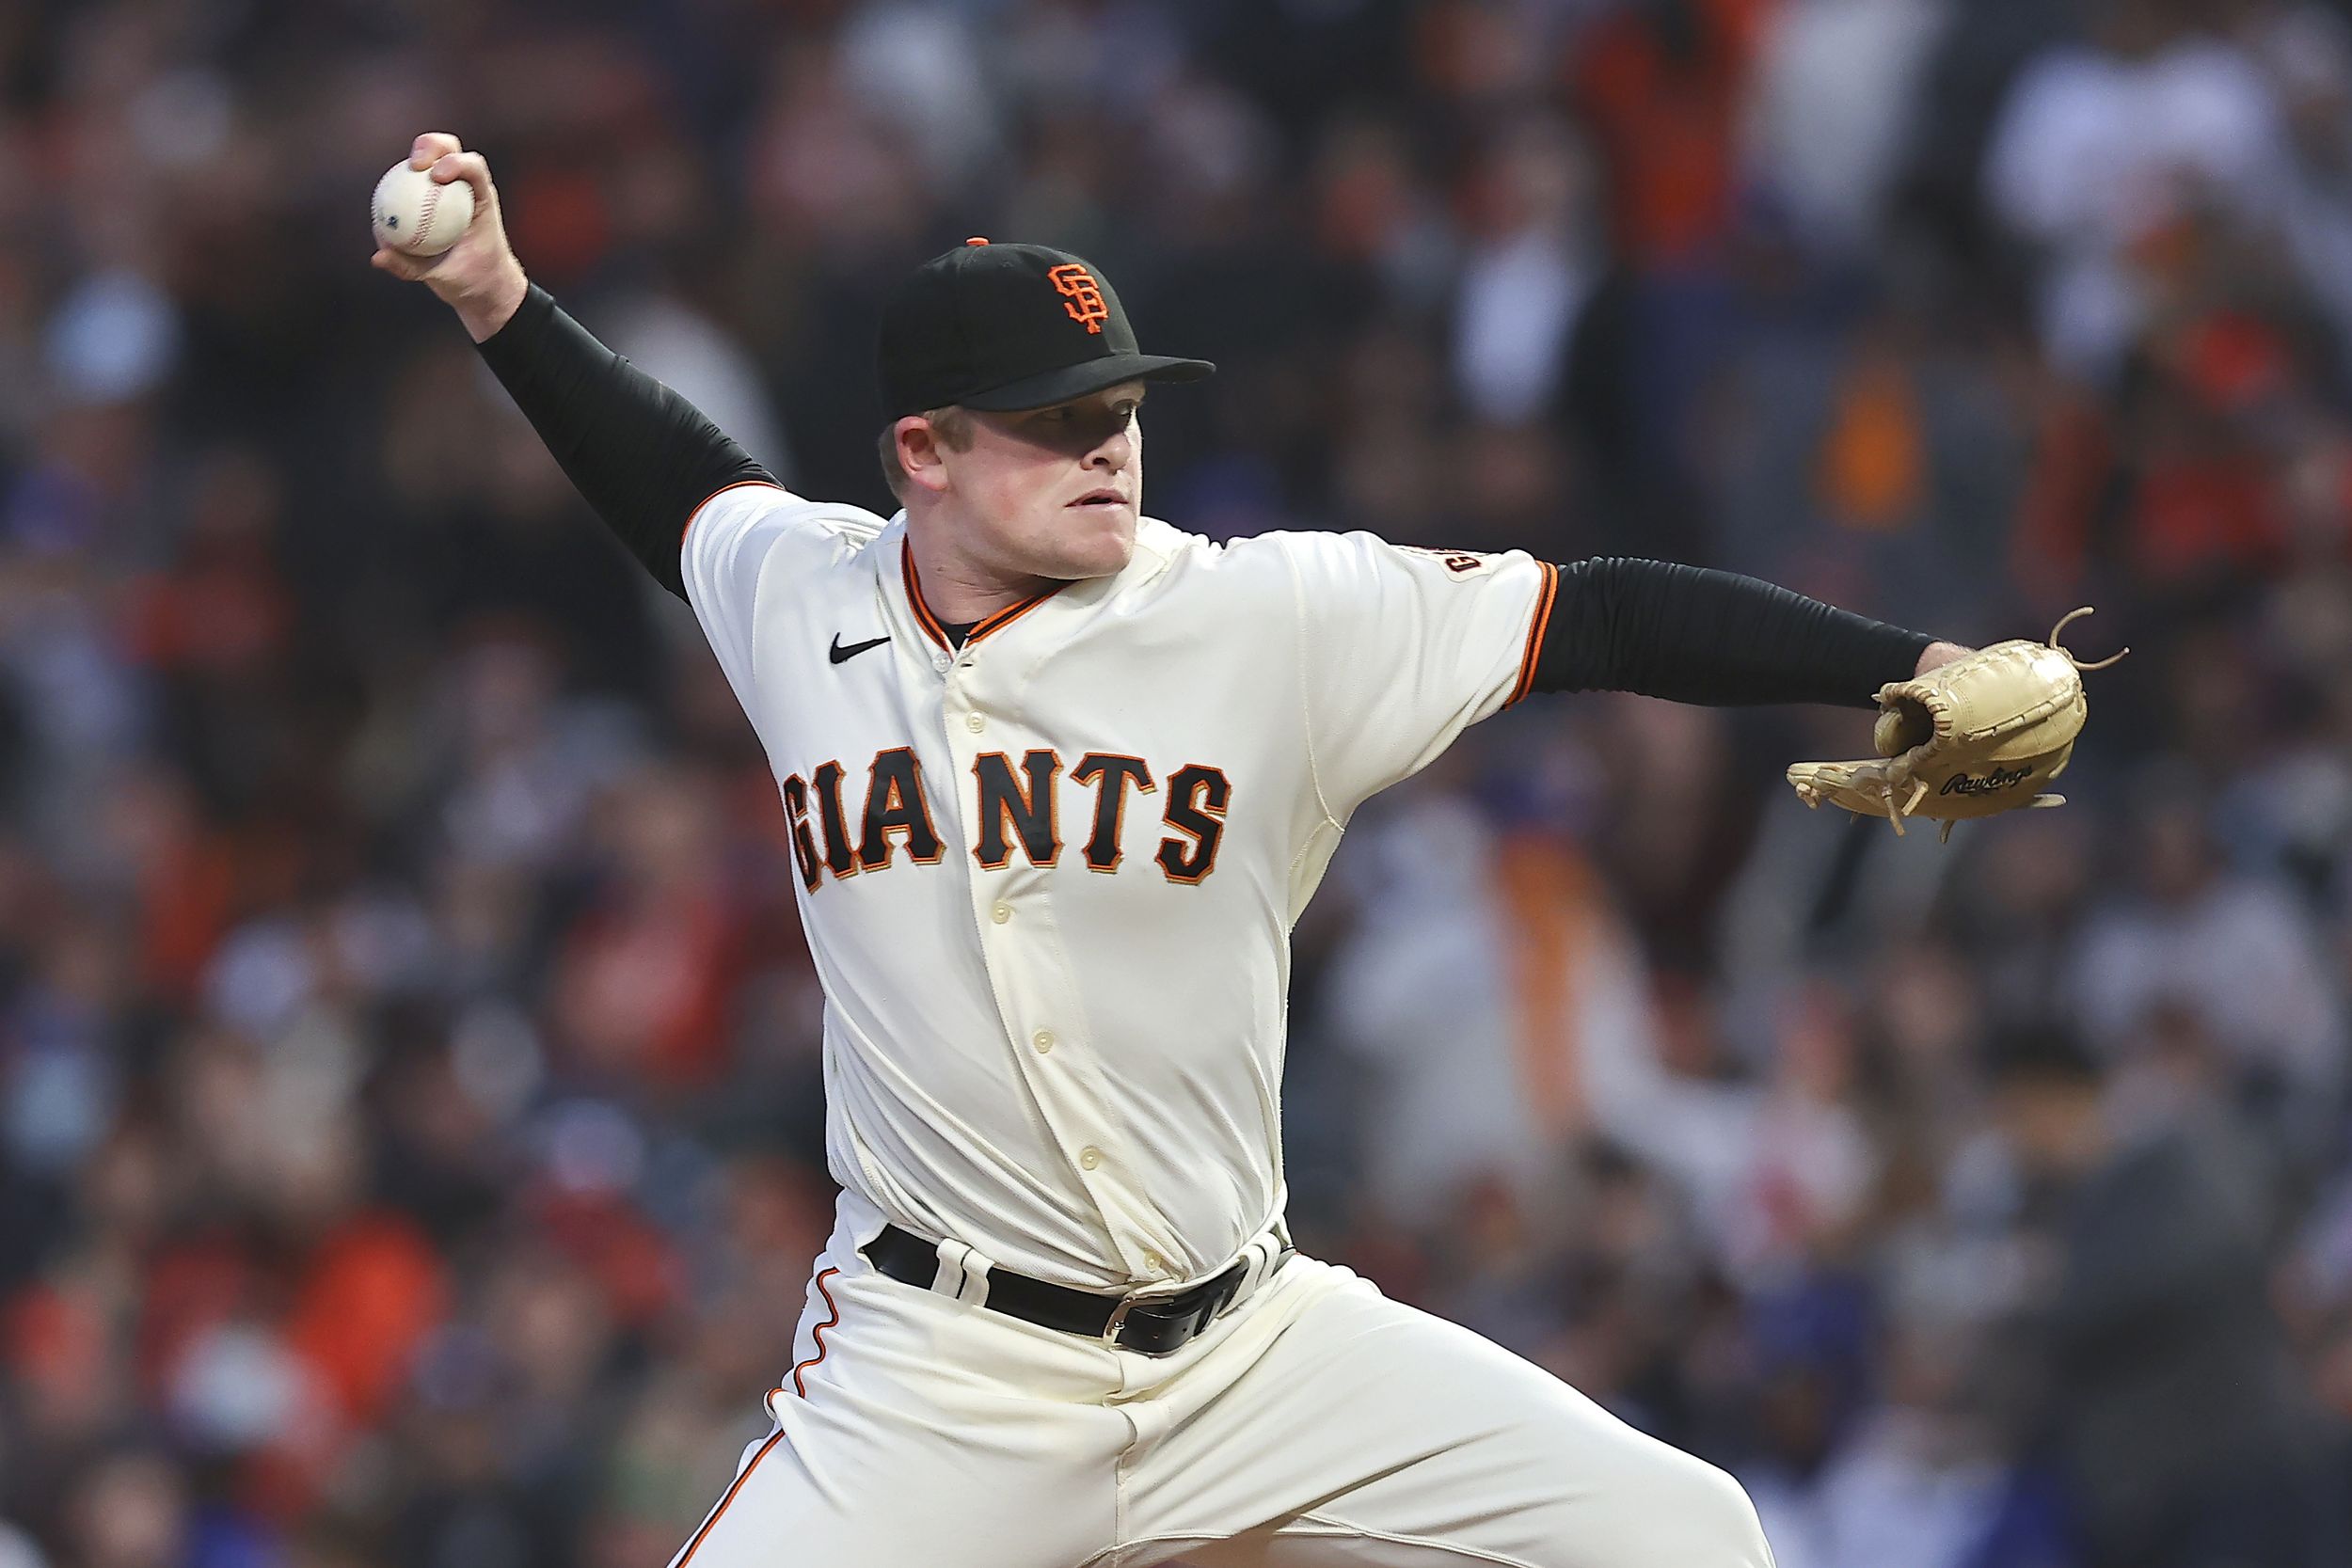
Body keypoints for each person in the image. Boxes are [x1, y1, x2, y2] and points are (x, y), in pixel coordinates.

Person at [376, 132, 1967, 1568]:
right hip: (944, 1380)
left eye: (1122, 407)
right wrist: (500, 296)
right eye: (1058, 421)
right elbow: (672, 485)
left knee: (1685, 1538)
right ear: (921, 453)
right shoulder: (808, 596)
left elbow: (1603, 606)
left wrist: (1909, 667)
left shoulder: (1267, 615)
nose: (1109, 448)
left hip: (1251, 1349)